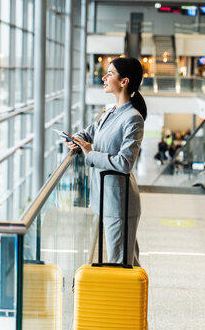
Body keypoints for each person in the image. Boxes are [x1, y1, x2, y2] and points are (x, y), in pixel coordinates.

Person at [64, 57, 147, 266]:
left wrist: (90, 153)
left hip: (120, 203)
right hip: (106, 199)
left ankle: (129, 299)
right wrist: (75, 139)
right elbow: (88, 133)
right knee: (123, 261)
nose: (104, 77)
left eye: (109, 73)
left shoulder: (133, 118)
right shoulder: (109, 112)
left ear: (124, 81)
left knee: (122, 264)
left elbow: (125, 162)